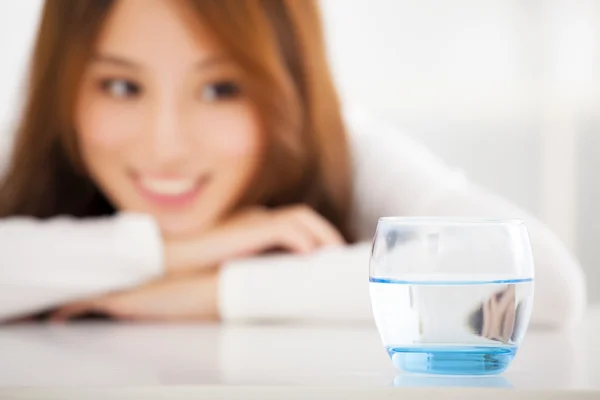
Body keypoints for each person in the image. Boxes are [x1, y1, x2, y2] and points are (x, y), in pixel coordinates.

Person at [0, 0, 586, 326]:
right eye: (121, 87)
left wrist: (216, 290)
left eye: (221, 89)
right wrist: (166, 253)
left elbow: (544, 282)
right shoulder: (39, 149)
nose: (165, 145)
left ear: (290, 87)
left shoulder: (347, 147)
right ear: (64, 86)